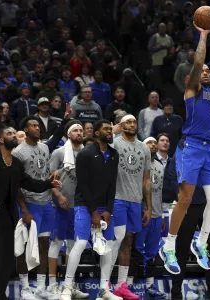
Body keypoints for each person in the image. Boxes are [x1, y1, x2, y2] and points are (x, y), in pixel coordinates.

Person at [160, 15, 210, 274]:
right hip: (189, 147)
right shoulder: (191, 89)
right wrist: (203, 35)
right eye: (200, 70)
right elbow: (200, 61)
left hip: (208, 150)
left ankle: (200, 243)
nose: (204, 71)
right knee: (186, 198)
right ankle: (169, 245)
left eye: (206, 71)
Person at [0, 127, 61, 300]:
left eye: (15, 134)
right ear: (0, 140)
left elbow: (28, 183)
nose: (13, 136)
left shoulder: (15, 163)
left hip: (8, 216)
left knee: (6, 257)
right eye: (9, 134)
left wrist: (48, 184)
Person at [60, 120, 120, 300]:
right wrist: (94, 212)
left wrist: (108, 211)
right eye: (105, 129)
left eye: (110, 129)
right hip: (84, 205)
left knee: (108, 246)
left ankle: (104, 289)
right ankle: (67, 288)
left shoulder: (114, 154)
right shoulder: (85, 154)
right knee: (80, 244)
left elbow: (113, 184)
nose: (109, 131)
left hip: (105, 207)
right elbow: (83, 185)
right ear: (95, 133)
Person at [12, 116, 64, 300]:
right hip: (29, 204)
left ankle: (41, 288)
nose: (37, 128)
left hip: (46, 203)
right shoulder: (18, 152)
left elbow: (56, 139)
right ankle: (25, 289)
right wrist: (24, 210)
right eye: (33, 126)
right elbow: (16, 184)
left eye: (37, 125)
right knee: (25, 246)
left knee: (43, 245)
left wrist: (64, 121)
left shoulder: (43, 147)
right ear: (25, 130)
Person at [107, 114, 151, 300]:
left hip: (135, 199)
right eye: (128, 122)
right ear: (121, 125)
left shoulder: (144, 148)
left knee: (128, 241)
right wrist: (111, 133)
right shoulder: (115, 143)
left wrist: (148, 206)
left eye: (134, 122)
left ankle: (121, 286)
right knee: (115, 240)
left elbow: (146, 179)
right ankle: (105, 283)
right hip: (117, 197)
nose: (132, 124)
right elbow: (95, 149)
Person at [47, 120, 88, 299]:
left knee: (73, 244)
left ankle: (69, 285)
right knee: (57, 242)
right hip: (61, 204)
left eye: (81, 130)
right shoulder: (59, 152)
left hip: (79, 206)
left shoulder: (87, 153)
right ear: (69, 134)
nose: (79, 133)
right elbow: (49, 178)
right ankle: (53, 284)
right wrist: (59, 195)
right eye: (75, 130)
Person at [128, 137, 166, 298]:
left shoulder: (159, 165)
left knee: (152, 251)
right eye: (149, 142)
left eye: (154, 142)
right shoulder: (138, 164)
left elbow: (161, 191)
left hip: (157, 214)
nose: (152, 145)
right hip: (142, 212)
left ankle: (150, 286)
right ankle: (128, 284)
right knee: (136, 249)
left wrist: (162, 213)